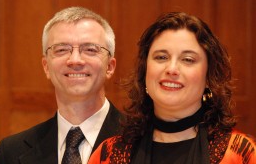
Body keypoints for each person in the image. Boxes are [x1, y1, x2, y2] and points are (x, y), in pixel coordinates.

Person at [89, 12, 256, 164]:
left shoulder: (241, 154)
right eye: (161, 57)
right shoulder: (109, 154)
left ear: (209, 77)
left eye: (188, 59)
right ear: (145, 71)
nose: (172, 69)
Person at [0, 7, 123, 164]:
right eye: (61, 50)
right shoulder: (11, 152)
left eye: (89, 49)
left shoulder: (142, 142)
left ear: (110, 66)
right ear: (46, 66)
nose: (75, 60)